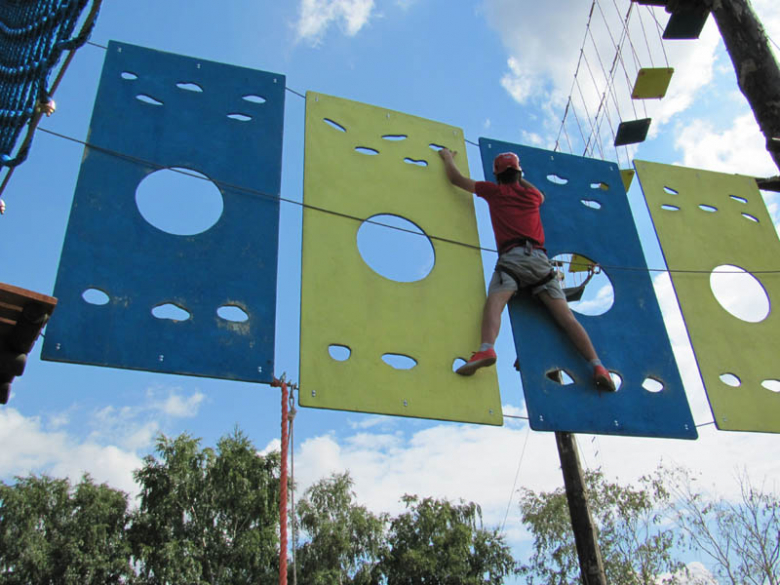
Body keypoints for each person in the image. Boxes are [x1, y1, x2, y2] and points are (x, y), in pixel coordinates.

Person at [438, 147, 615, 391]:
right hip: (541, 262)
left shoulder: (494, 192)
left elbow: (456, 180)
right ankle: (598, 365)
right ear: (519, 173)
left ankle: (486, 348)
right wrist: (519, 177)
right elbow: (539, 195)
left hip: (513, 260)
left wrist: (447, 157)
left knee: (495, 303)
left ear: (497, 176)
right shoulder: (531, 197)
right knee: (567, 319)